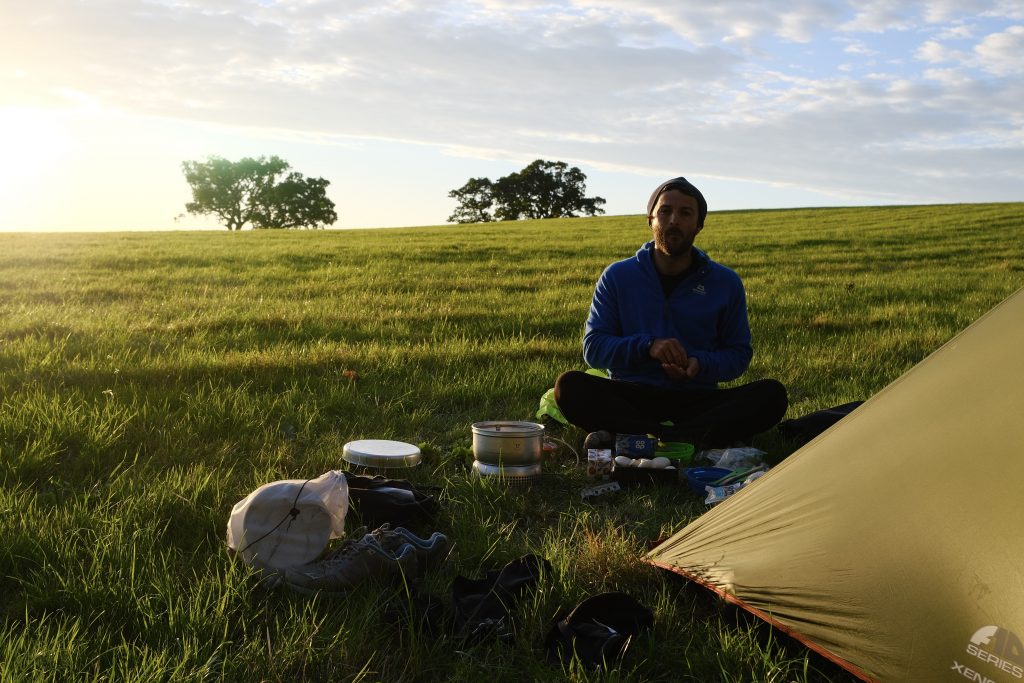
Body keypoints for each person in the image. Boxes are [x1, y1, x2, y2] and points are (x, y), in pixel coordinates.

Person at [554, 177, 788, 449]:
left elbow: (738, 355)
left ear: (699, 225)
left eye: (685, 213)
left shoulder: (725, 282)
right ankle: (688, 438)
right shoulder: (618, 276)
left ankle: (641, 436)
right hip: (632, 393)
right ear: (650, 220)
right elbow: (594, 349)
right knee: (570, 386)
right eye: (665, 211)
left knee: (771, 395)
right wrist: (648, 346)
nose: (674, 220)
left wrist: (698, 363)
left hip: (697, 396)